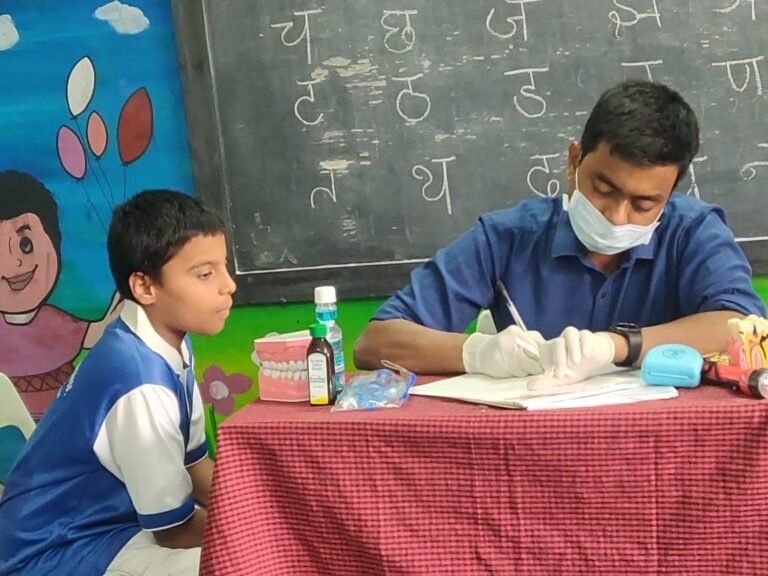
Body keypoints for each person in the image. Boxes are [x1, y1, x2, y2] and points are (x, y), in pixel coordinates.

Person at [354, 80, 766, 387]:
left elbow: (743, 327)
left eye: (644, 205)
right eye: (604, 189)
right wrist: (477, 353)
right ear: (573, 162)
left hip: (662, 449)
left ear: (670, 194)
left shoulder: (692, 232)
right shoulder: (507, 237)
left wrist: (616, 347)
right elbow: (374, 344)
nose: (618, 217)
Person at [0, 190, 237, 575]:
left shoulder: (167, 341)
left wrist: (258, 512)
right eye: (205, 274)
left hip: (107, 529)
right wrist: (264, 532)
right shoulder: (139, 382)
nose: (229, 286)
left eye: (224, 267)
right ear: (145, 287)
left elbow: (195, 468)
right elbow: (173, 530)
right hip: (55, 553)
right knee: (243, 562)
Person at [0, 170, 121, 418]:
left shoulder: (54, 321)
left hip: (64, 417)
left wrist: (122, 302)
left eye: (26, 245)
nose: (15, 265)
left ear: (54, 242)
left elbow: (96, 333)